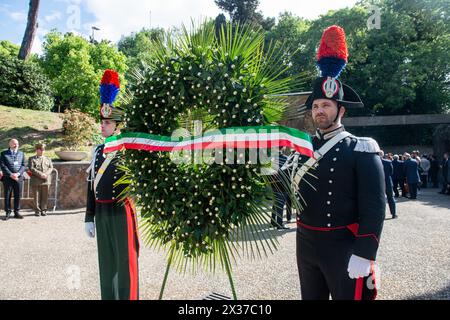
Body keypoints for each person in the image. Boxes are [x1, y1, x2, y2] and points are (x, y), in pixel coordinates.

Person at [288, 26, 385, 300]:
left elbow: (374, 207)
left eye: (326, 106)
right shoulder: (303, 147)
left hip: (344, 246)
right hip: (305, 243)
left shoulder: (361, 148)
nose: (320, 111)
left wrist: (365, 252)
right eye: (316, 106)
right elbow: (286, 187)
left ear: (340, 110)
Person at [84, 70, 139, 300]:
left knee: (125, 263)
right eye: (102, 122)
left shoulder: (127, 148)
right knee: (106, 263)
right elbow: (91, 185)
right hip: (102, 212)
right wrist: (89, 216)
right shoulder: (97, 150)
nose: (102, 126)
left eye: (107, 123)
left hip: (121, 209)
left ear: (117, 126)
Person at [0, 139, 26, 220]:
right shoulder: (3, 153)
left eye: (17, 144)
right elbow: (3, 165)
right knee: (7, 195)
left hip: (18, 178)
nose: (16, 145)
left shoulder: (21, 153)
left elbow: (23, 165)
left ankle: (16, 212)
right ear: (10, 144)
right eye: (14, 144)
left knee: (17, 195)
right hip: (8, 178)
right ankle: (8, 212)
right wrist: (11, 174)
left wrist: (18, 174)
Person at [28, 143, 53, 216]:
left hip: (46, 180)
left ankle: (43, 210)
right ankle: (37, 210)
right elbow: (31, 168)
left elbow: (51, 168)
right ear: (37, 150)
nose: (43, 151)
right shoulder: (32, 159)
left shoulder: (48, 159)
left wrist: (46, 174)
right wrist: (40, 174)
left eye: (44, 149)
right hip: (36, 180)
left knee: (45, 196)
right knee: (36, 196)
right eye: (41, 149)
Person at [270, 148, 291, 230]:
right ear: (283, 148)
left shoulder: (271, 159)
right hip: (283, 185)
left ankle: (272, 222)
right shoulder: (285, 159)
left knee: (275, 204)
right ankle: (279, 223)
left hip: (273, 184)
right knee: (280, 205)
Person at [380, 151, 396, 218]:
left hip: (379, 183)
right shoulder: (388, 162)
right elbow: (391, 172)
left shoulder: (373, 163)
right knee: (391, 198)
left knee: (380, 199)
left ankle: (382, 214)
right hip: (388, 182)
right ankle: (393, 213)